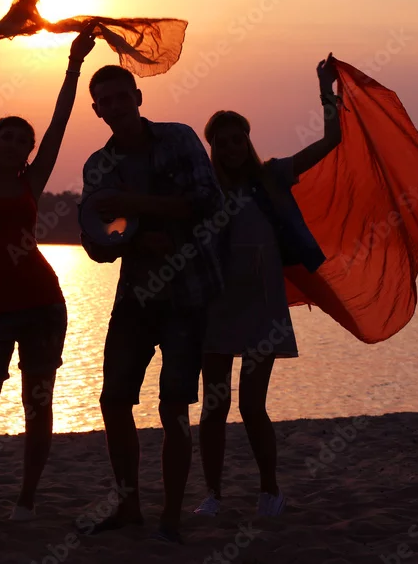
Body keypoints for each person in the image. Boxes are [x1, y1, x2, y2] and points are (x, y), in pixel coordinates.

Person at [0, 13, 99, 521]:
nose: (16, 144)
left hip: (42, 303)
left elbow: (60, 122)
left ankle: (26, 500)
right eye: (7, 137)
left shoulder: (32, 180)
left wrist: (73, 65)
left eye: (22, 140)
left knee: (38, 405)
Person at [79, 65, 224, 544]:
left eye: (122, 96)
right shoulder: (97, 166)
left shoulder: (179, 138)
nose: (115, 106)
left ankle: (172, 517)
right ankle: (129, 507)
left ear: (138, 97)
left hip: (189, 295)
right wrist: (132, 238)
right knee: (113, 401)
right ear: (96, 110)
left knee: (174, 407)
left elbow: (207, 202)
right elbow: (98, 243)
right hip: (134, 298)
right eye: (106, 100)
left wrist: (134, 205)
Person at [194, 55, 340, 519]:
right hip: (217, 307)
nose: (232, 148)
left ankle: (269, 491)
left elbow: (331, 141)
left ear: (248, 140)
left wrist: (326, 90)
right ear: (213, 147)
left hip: (263, 308)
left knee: (252, 406)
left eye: (238, 139)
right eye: (222, 142)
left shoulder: (272, 176)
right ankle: (213, 495)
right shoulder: (206, 192)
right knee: (214, 406)